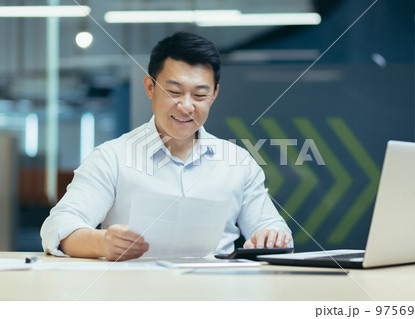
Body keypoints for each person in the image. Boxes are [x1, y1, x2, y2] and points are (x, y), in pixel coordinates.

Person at [41, 32, 292, 261]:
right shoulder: (112, 157)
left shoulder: (238, 162)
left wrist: (272, 237)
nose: (186, 106)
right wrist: (101, 242)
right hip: (134, 296)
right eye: (174, 92)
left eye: (200, 95)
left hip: (216, 294)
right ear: (150, 87)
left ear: (214, 95)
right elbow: (59, 225)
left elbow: (273, 228)